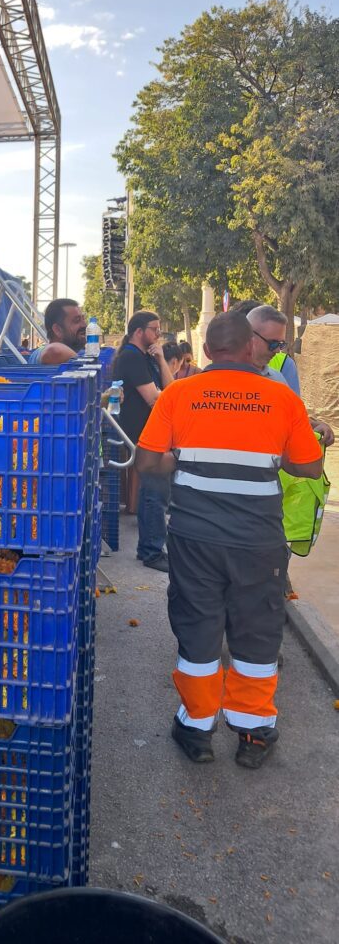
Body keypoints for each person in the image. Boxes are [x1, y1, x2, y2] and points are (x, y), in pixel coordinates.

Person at [135, 311, 323, 769]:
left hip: (194, 537)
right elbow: (310, 468)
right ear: (249, 349)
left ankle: (197, 729)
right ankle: (254, 732)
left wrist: (181, 462)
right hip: (259, 541)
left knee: (198, 628)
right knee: (256, 633)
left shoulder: (179, 393)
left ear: (206, 351)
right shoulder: (280, 398)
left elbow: (147, 462)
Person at [111, 311, 175, 572]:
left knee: (157, 492)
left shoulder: (145, 356)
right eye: (155, 329)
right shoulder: (130, 356)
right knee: (153, 492)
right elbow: (156, 398)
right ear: (139, 331)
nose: (158, 335)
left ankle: (151, 546)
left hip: (152, 431)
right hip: (141, 432)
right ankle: (151, 550)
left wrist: (161, 359)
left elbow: (169, 390)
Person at [246, 304, 334, 446]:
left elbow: (291, 418)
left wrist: (314, 425)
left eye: (281, 344)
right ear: (249, 335)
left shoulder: (277, 378)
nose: (276, 351)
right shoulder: (218, 376)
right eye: (272, 343)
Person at [29, 299, 86, 364]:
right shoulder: (40, 353)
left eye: (83, 319)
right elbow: (53, 351)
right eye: (77, 320)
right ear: (57, 330)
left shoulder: (75, 353)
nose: (84, 325)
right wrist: (84, 365)